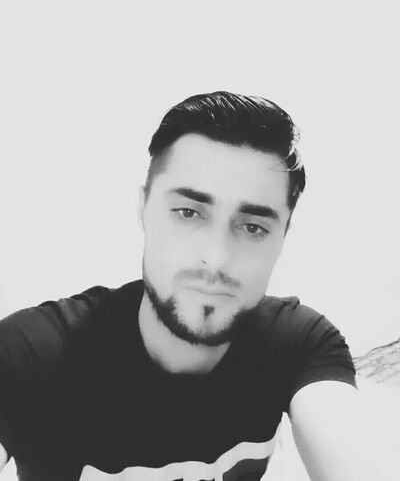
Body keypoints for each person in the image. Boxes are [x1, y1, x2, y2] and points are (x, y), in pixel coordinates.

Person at [0, 91, 388, 480]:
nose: (216, 258)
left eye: (253, 227)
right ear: (144, 209)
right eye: (188, 213)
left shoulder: (300, 342)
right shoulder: (29, 353)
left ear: (283, 237)